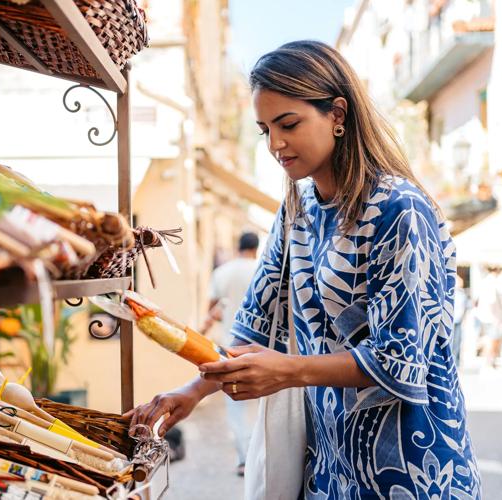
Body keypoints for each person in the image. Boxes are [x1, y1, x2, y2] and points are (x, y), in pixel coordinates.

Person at [127, 40, 481, 498]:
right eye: (264, 129)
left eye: (288, 124)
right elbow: (257, 321)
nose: (275, 144)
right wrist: (192, 391)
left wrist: (290, 370)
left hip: (415, 466)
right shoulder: (298, 206)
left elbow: (401, 360)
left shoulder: (400, 208)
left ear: (337, 114)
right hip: (330, 467)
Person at [202, 232, 261, 476]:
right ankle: (259, 456)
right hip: (262, 348)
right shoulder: (262, 268)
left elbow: (212, 307)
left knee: (235, 405)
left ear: (238, 246)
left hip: (231, 346)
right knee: (260, 407)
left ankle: (244, 458)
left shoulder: (223, 272)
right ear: (256, 248)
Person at [475, 267, 502, 367]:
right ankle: (488, 362)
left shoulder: (485, 281)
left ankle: (489, 361)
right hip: (491, 317)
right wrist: (496, 318)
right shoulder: (492, 282)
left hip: (485, 316)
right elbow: (492, 302)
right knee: (491, 340)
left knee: (489, 339)